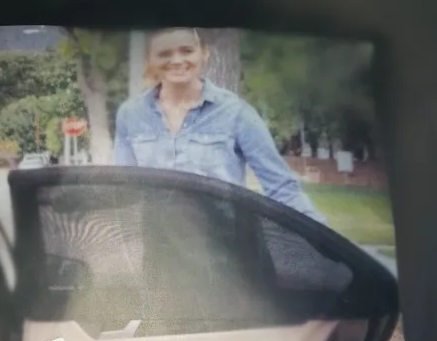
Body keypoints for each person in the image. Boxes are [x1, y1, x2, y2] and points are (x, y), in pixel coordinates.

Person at [114, 28, 324, 221]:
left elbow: (281, 187)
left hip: (225, 244)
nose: (177, 60)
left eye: (187, 51)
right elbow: (125, 190)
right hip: (156, 244)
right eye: (164, 53)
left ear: (204, 54)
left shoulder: (237, 113)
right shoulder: (130, 115)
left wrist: (322, 240)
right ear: (149, 60)